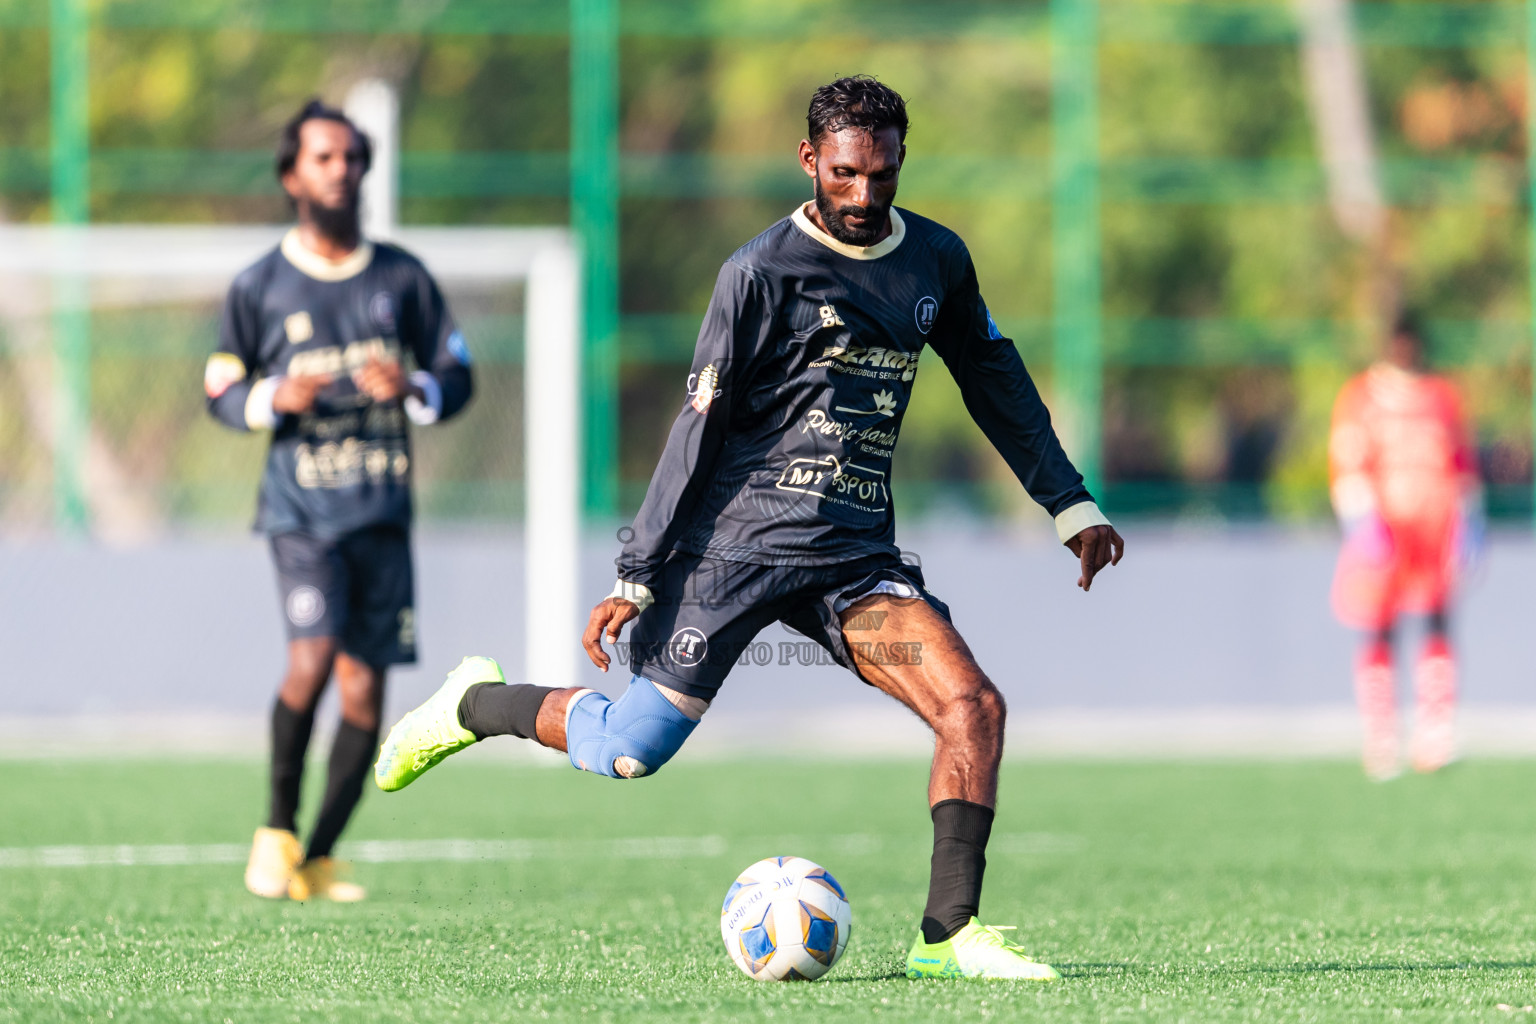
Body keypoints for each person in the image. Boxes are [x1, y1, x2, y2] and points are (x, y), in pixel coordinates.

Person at [375, 76, 1122, 979]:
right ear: (810, 161)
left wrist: (1068, 502)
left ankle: (949, 936)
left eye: (882, 175)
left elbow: (992, 377)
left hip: (853, 560)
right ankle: (472, 704)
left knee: (973, 708)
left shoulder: (935, 259)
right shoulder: (758, 273)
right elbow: (699, 426)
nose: (863, 195)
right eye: (845, 174)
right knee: (626, 752)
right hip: (731, 552)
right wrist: (636, 572)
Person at [205, 99, 474, 901]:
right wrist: (271, 397)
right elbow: (219, 389)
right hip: (303, 513)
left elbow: (457, 376)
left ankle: (317, 858)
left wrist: (416, 384)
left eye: (352, 157)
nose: (341, 171)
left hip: (382, 515)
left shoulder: (401, 278)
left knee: (365, 690)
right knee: (313, 658)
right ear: (292, 175)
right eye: (324, 158)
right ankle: (276, 830)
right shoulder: (259, 285)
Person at [1329, 312, 1481, 780]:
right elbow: (1347, 463)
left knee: (1437, 619)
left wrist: (1470, 519)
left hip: (1435, 528)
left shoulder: (1441, 396)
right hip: (1384, 528)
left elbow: (1461, 464)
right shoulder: (1362, 397)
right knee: (1379, 625)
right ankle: (1381, 734)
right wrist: (1361, 520)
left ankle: (1435, 731)